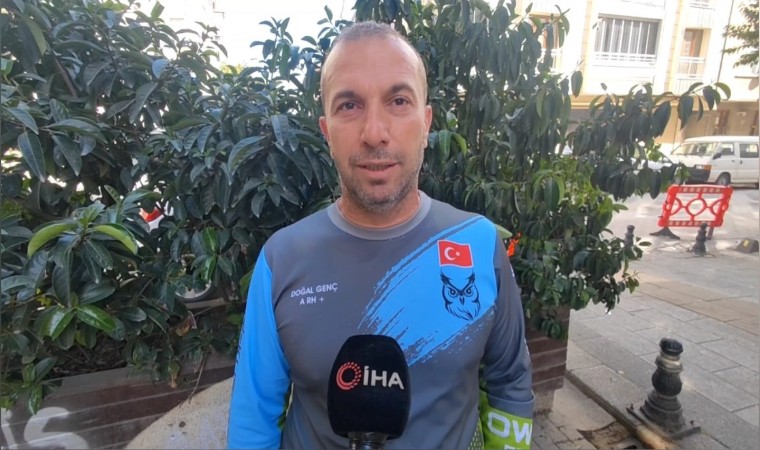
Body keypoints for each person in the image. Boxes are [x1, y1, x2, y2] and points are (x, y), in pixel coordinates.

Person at [227, 21, 534, 449]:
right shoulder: (282, 259)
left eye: (398, 100)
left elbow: (510, 382)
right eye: (349, 105)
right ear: (327, 132)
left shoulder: (478, 243)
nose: (374, 133)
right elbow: (253, 418)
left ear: (426, 123)